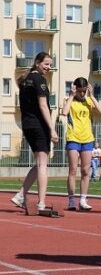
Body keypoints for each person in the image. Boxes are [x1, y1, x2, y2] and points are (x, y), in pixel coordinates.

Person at [11, 52, 59, 211]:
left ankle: (20, 195)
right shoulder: (39, 79)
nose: (48, 67)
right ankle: (41, 202)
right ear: (37, 62)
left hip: (27, 124)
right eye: (46, 64)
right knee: (43, 164)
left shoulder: (25, 79)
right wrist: (52, 129)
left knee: (39, 163)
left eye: (50, 65)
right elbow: (43, 106)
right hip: (38, 125)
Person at [61, 77, 101, 211]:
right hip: (73, 138)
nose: (81, 94)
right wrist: (71, 96)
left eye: (83, 91)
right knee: (73, 169)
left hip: (87, 139)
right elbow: (64, 112)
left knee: (85, 170)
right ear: (75, 89)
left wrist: (92, 96)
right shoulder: (69, 101)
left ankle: (83, 200)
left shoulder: (89, 101)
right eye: (79, 91)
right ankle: (71, 200)